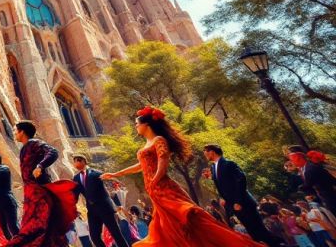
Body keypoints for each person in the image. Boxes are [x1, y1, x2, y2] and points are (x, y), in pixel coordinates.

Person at [101, 106, 263, 246]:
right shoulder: (147, 145)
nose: (135, 127)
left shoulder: (159, 140)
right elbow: (141, 166)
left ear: (146, 124)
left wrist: (154, 181)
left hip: (163, 187)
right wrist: (117, 173)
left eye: (137, 124)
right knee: (168, 226)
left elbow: (163, 164)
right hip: (155, 190)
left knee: (186, 220)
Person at [4, 121, 77, 247]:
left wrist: (40, 166)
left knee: (38, 227)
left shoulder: (33, 143)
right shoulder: (24, 148)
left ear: (22, 132)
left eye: (15, 130)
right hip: (31, 194)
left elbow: (53, 152)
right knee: (43, 228)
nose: (14, 133)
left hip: (39, 194)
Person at [202, 144, 279, 246]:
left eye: (206, 152)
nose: (205, 155)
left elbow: (241, 179)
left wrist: (238, 201)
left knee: (260, 231)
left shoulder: (228, 164)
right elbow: (226, 182)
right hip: (234, 206)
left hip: (243, 203)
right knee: (253, 233)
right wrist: (211, 178)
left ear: (212, 151)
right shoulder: (213, 167)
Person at [71, 154, 130, 247]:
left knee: (116, 234)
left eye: (77, 160)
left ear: (83, 161)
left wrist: (116, 180)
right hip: (91, 210)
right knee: (94, 236)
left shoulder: (95, 173)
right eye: (74, 162)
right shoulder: (76, 178)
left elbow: (108, 178)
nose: (75, 163)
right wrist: (70, 205)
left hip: (105, 208)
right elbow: (75, 194)